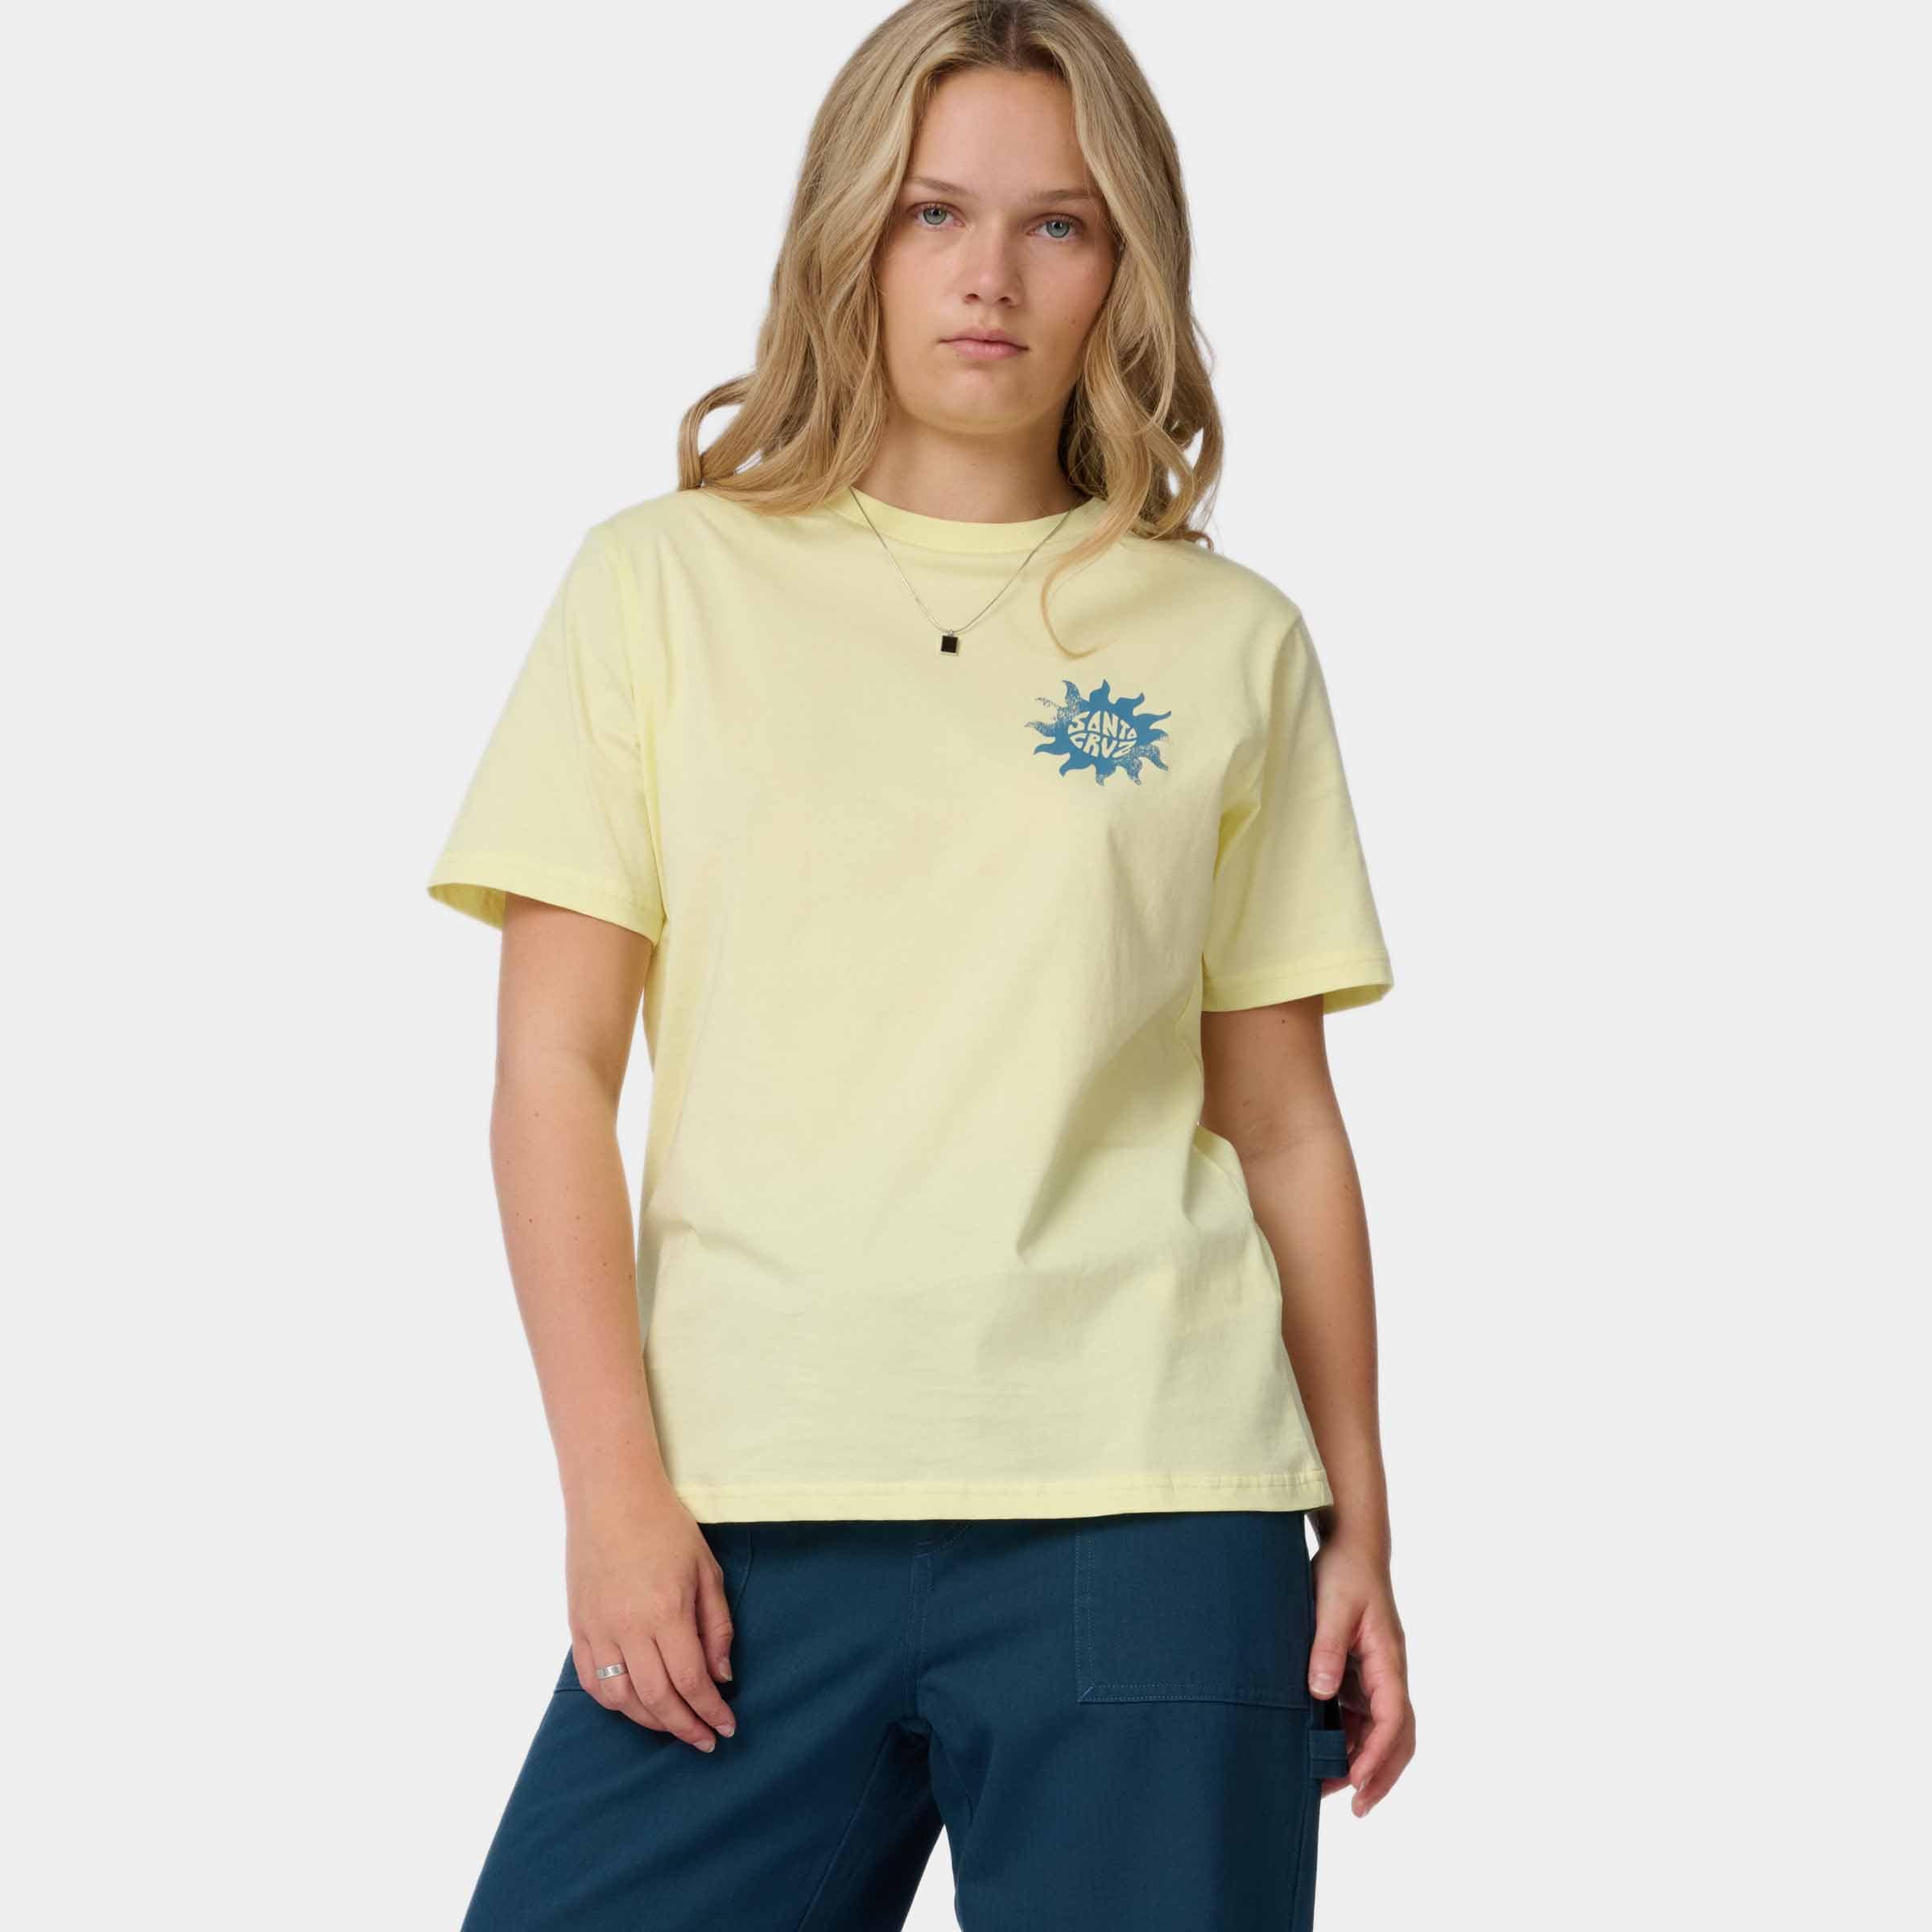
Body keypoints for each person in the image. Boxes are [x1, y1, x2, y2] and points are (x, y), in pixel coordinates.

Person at [426, 2, 1415, 1925]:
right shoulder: (660, 586)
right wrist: (611, 1493)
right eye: (932, 211)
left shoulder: (1228, 640)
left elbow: (1285, 1123)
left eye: (1058, 225)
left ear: (1125, 263)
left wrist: (1359, 1525)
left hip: (1154, 1509)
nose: (988, 277)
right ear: (848, 235)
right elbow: (551, 1070)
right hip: (741, 1517)